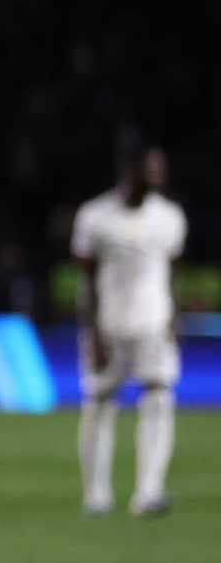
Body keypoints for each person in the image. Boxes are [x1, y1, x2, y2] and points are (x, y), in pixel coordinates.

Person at [72, 145, 186, 516]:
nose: (157, 175)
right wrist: (92, 332)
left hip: (153, 323)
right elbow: (86, 280)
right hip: (109, 325)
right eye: (150, 168)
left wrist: (173, 319)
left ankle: (149, 491)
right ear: (130, 170)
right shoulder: (95, 216)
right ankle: (96, 495)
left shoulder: (170, 217)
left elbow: (171, 273)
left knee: (158, 397)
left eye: (160, 168)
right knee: (99, 402)